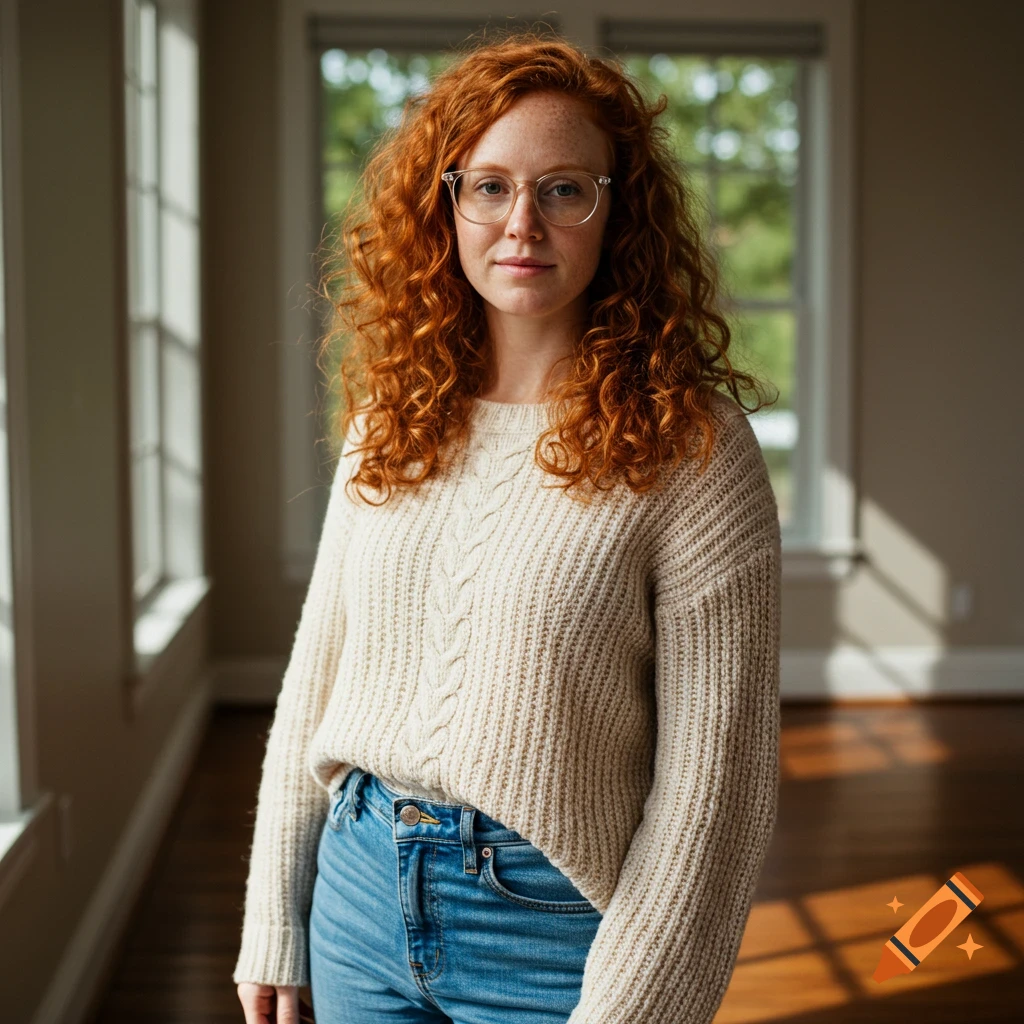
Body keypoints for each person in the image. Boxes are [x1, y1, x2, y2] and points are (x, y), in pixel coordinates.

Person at [234, 27, 782, 1024]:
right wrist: (276, 905)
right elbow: (319, 671)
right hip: (355, 895)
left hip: (550, 925)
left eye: (564, 189)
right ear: (445, 205)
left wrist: (637, 1008)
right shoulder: (389, 416)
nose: (521, 221)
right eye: (488, 186)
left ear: (616, 215)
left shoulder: (692, 447)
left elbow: (719, 790)